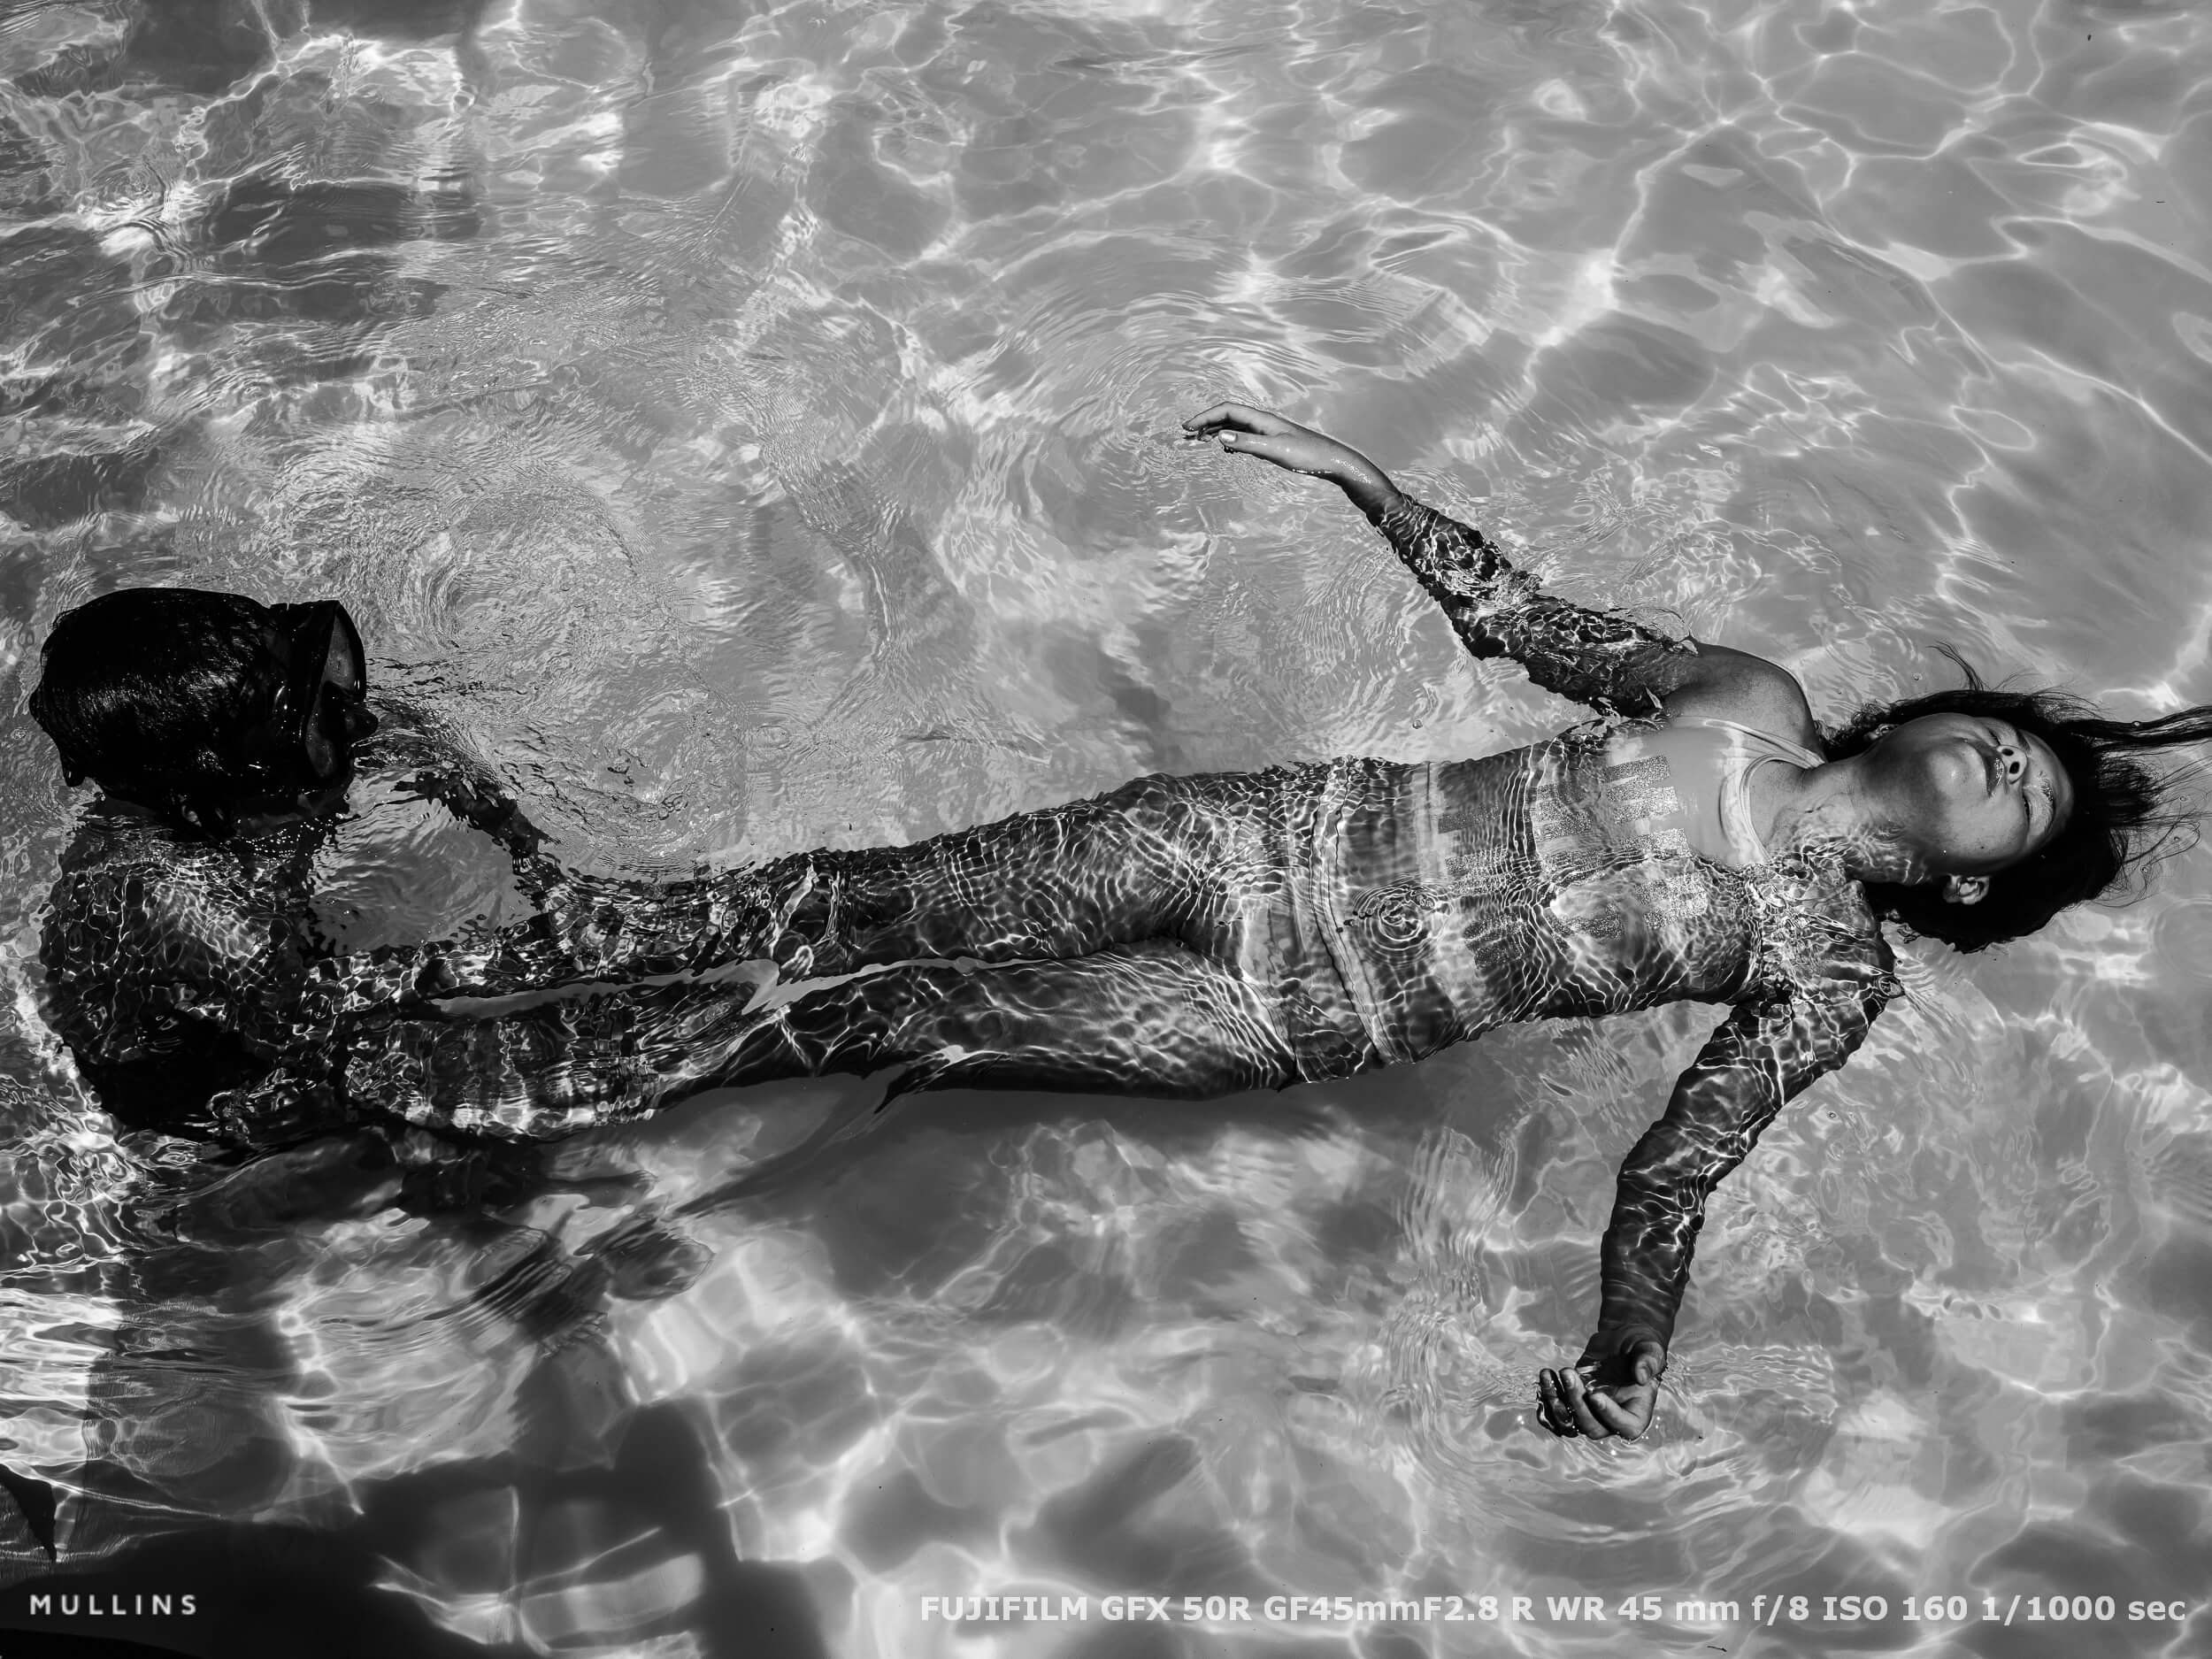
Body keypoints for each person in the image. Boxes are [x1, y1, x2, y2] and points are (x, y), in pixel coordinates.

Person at [29, 406, 2212, 1443]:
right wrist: (1351, 475)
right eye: (2012, 737)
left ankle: (526, 1088)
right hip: (1235, 835)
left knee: (878, 1011)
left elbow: (1669, 1169)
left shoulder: (1820, 978)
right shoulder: (1733, 692)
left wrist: (1619, 1364)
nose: (2003, 767)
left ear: (1962, 889)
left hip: (1263, 1007)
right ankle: (554, 953)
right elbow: (1515, 612)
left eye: (2021, 810)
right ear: (1930, 710)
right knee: (842, 900)